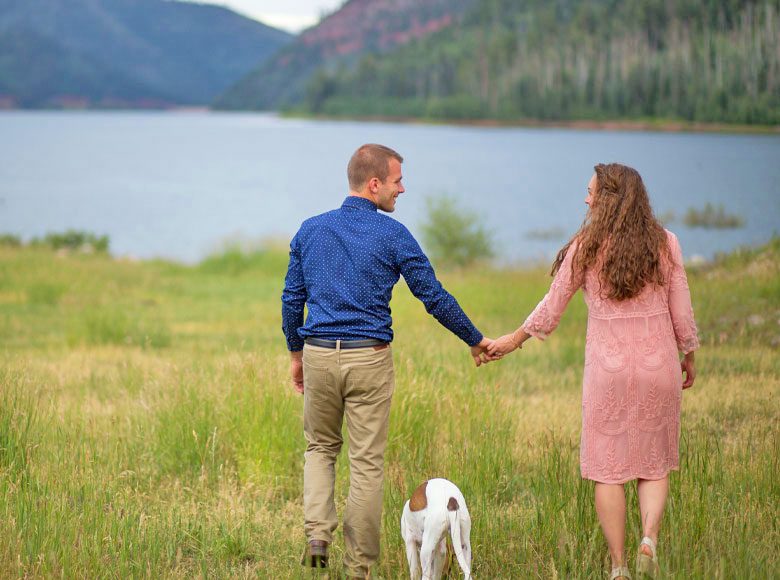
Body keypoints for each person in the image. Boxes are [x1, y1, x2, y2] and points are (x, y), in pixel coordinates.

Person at [281, 143, 494, 579]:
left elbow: (291, 299)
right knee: (365, 463)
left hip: (319, 353)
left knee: (320, 449)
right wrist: (474, 339)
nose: (403, 188)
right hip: (369, 359)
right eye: (398, 180)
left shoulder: (310, 229)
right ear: (374, 184)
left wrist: (295, 352)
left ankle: (317, 534)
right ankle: (358, 569)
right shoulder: (393, 235)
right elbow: (432, 296)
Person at [488, 163, 699, 580]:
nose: (585, 199)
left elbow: (553, 304)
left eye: (591, 192)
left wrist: (513, 340)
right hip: (659, 367)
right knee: (653, 465)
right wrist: (688, 354)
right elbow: (682, 308)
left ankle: (618, 567)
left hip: (608, 372)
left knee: (609, 470)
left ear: (609, 199)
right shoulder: (667, 243)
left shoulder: (585, 246)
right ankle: (649, 541)